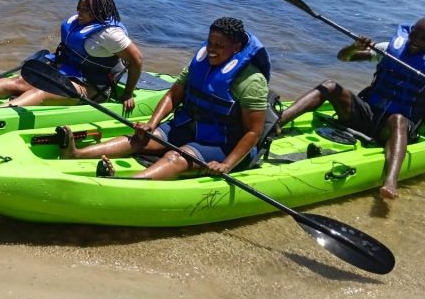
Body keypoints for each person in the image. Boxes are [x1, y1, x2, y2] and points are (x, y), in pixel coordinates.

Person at [60, 17, 271, 181]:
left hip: (222, 143)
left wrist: (228, 164)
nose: (212, 49)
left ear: (236, 48)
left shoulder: (251, 80)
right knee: (140, 138)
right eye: (210, 42)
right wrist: (151, 124)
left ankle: (129, 183)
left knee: (177, 156)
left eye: (219, 45)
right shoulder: (201, 62)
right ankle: (76, 154)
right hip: (187, 126)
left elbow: (254, 131)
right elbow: (172, 95)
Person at [278, 17, 425, 200]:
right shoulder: (390, 48)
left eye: (424, 38)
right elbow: (344, 57)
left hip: (394, 129)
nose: (416, 40)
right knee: (330, 85)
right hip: (368, 114)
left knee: (398, 119)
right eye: (415, 33)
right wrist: (354, 47)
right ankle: (277, 122)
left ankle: (391, 180)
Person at [0, 0, 143, 110]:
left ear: (98, 14)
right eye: (79, 8)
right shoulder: (78, 22)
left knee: (42, 92)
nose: (79, 13)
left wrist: (128, 92)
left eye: (85, 10)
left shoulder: (109, 34)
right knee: (20, 81)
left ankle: (2, 110)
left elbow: (137, 60)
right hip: (67, 72)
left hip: (91, 86)